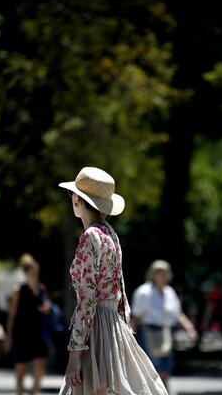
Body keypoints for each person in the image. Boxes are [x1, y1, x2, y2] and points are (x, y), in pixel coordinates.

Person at [58, 166, 168, 395]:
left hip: (95, 327)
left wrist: (74, 354)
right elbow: (120, 290)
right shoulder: (111, 234)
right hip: (113, 327)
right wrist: (122, 333)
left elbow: (87, 301)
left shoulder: (89, 237)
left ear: (78, 199)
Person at [131, 259, 199, 391]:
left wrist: (190, 330)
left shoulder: (170, 292)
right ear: (154, 274)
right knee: (153, 371)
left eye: (167, 272)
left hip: (167, 333)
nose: (165, 276)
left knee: (165, 371)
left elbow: (178, 315)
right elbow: (136, 318)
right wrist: (129, 337)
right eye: (161, 273)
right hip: (149, 333)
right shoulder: (144, 292)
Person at [4, 253, 51, 395]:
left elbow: (47, 305)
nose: (34, 275)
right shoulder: (19, 291)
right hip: (21, 333)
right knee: (21, 368)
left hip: (38, 332)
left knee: (41, 367)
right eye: (31, 272)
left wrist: (46, 308)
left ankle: (32, 392)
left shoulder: (42, 289)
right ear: (26, 274)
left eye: (36, 272)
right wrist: (9, 336)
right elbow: (11, 315)